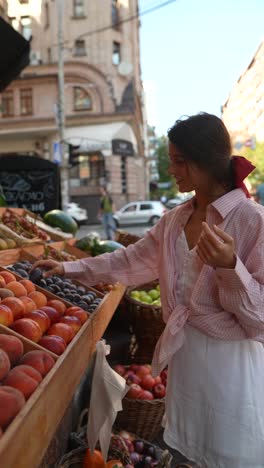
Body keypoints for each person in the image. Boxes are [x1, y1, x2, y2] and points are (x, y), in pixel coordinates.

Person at [32, 113, 264, 468]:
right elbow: (129, 260)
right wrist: (69, 268)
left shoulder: (253, 221)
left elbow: (260, 315)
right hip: (186, 359)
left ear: (205, 161)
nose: (171, 170)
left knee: (230, 453)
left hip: (229, 365)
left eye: (178, 161)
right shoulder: (174, 221)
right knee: (192, 451)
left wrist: (230, 266)